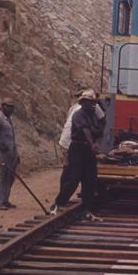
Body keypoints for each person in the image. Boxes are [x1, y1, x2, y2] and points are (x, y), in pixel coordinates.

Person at [49, 90, 103, 221]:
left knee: (90, 180)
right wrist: (92, 144)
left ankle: (86, 209)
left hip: (87, 150)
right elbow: (86, 131)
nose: (92, 105)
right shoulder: (78, 114)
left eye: (93, 102)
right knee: (73, 179)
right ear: (83, 102)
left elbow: (98, 130)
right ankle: (58, 203)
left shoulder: (92, 115)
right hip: (77, 148)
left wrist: (93, 141)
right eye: (89, 102)